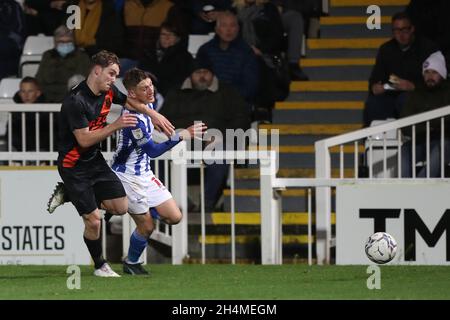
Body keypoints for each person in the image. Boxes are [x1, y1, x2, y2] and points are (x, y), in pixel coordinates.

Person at [46, 50, 175, 277]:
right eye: (111, 73)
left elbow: (129, 101)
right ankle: (100, 265)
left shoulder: (108, 91)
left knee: (121, 208)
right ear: (97, 70)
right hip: (73, 165)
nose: (114, 79)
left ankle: (69, 195)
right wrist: (116, 125)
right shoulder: (75, 102)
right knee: (94, 221)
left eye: (116, 74)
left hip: (94, 160)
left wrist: (153, 115)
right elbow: (84, 139)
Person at [111, 68, 206, 274]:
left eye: (151, 86)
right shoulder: (132, 120)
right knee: (147, 227)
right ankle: (132, 262)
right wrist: (182, 135)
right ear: (132, 94)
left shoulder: (148, 105)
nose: (150, 91)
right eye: (144, 88)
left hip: (144, 173)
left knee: (175, 217)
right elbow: (153, 151)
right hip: (128, 176)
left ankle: (135, 208)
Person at [161, 58, 250, 212]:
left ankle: (208, 203)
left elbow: (241, 119)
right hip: (183, 139)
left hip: (215, 140)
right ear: (190, 76)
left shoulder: (227, 92)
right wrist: (183, 133)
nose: (202, 76)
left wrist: (221, 135)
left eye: (206, 72)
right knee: (157, 152)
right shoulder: (176, 93)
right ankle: (180, 201)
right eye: (197, 72)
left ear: (212, 74)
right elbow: (163, 121)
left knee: (222, 149)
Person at [363, 12, 438, 127]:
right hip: (391, 94)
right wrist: (375, 87)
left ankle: (410, 138)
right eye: (397, 31)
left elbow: (437, 80)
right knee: (374, 102)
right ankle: (379, 140)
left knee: (405, 100)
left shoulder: (427, 48)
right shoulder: (386, 49)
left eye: (405, 30)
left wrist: (413, 86)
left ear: (412, 29)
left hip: (418, 94)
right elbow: (375, 77)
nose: (401, 35)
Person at [400, 51, 450, 178]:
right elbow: (405, 125)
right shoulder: (416, 94)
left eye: (434, 72)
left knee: (442, 147)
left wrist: (424, 123)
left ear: (442, 74)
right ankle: (406, 187)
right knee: (405, 149)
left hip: (444, 140)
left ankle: (419, 185)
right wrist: (433, 126)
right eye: (427, 72)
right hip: (420, 140)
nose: (430, 76)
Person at [196, 11, 259, 105]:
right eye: (224, 25)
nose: (228, 30)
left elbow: (250, 86)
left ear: (238, 29)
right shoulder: (205, 50)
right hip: (210, 102)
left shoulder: (246, 51)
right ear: (216, 29)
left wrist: (227, 97)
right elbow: (200, 80)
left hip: (238, 103)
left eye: (232, 25)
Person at [36, 25, 91, 102]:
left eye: (68, 42)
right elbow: (39, 79)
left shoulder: (82, 56)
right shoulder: (47, 55)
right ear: (55, 43)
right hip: (47, 98)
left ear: (73, 41)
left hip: (70, 99)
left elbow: (81, 80)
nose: (65, 44)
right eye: (61, 42)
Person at [139, 21, 193, 96]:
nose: (167, 38)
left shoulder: (185, 57)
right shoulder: (148, 53)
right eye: (163, 34)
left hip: (172, 97)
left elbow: (180, 81)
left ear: (178, 38)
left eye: (171, 35)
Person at [11, 77, 52, 153]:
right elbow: (11, 137)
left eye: (30, 91)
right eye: (23, 91)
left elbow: (53, 139)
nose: (26, 95)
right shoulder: (14, 112)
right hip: (19, 155)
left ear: (38, 93)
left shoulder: (49, 112)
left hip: (44, 155)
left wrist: (46, 160)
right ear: (19, 93)